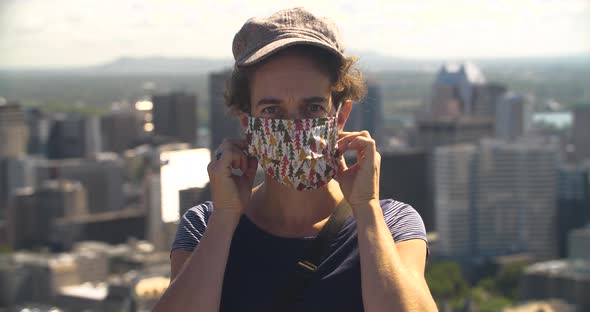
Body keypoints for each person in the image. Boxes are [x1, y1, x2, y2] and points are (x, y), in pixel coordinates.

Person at [153, 7, 437, 312]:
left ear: (340, 115)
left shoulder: (392, 224)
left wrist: (366, 208)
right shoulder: (204, 225)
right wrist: (225, 217)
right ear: (246, 121)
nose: (294, 127)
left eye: (313, 108)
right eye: (272, 111)